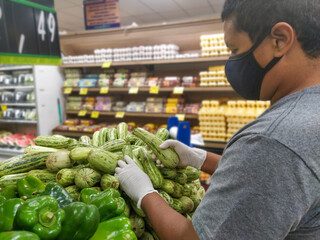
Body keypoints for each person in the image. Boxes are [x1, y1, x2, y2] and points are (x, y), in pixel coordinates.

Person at [115, 0, 320, 239]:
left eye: (234, 50)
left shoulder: (272, 140)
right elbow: (282, 183)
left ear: (280, 40)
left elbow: (193, 238)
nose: (231, 62)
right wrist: (202, 159)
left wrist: (145, 194)